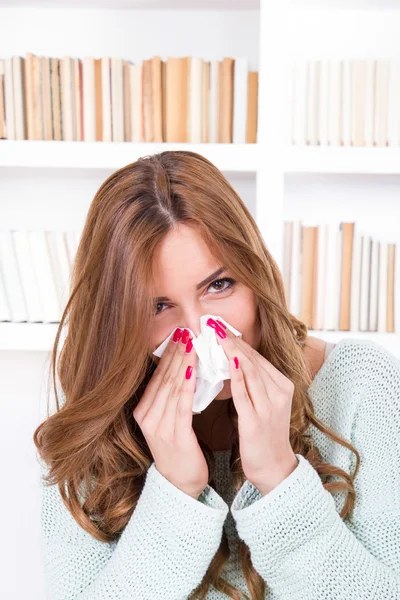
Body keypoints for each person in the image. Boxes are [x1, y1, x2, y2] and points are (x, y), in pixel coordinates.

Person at [33, 150, 400, 600]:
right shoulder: (90, 431)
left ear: (255, 273)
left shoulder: (362, 386)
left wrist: (281, 479)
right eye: (158, 306)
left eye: (218, 285)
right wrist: (174, 492)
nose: (198, 332)